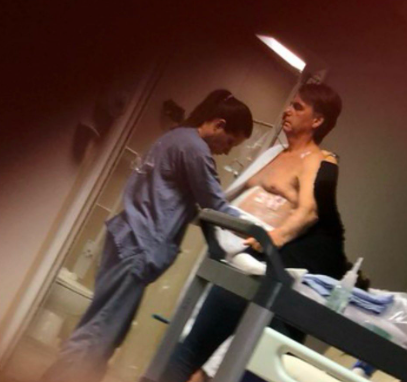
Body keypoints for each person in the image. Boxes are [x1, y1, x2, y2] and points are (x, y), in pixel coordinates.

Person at [40, 89, 253, 382]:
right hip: (138, 246)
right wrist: (261, 232)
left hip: (126, 238)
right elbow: (216, 204)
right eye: (230, 142)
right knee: (98, 335)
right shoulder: (195, 149)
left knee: (106, 333)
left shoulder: (175, 137)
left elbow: (174, 201)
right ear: (218, 124)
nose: (227, 151)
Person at [160, 83, 348, 382]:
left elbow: (308, 211)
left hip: (262, 267)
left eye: (298, 107)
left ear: (317, 120)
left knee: (212, 364)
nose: (287, 110)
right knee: (189, 350)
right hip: (233, 259)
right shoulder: (274, 154)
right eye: (291, 104)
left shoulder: (318, 161)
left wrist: (274, 239)